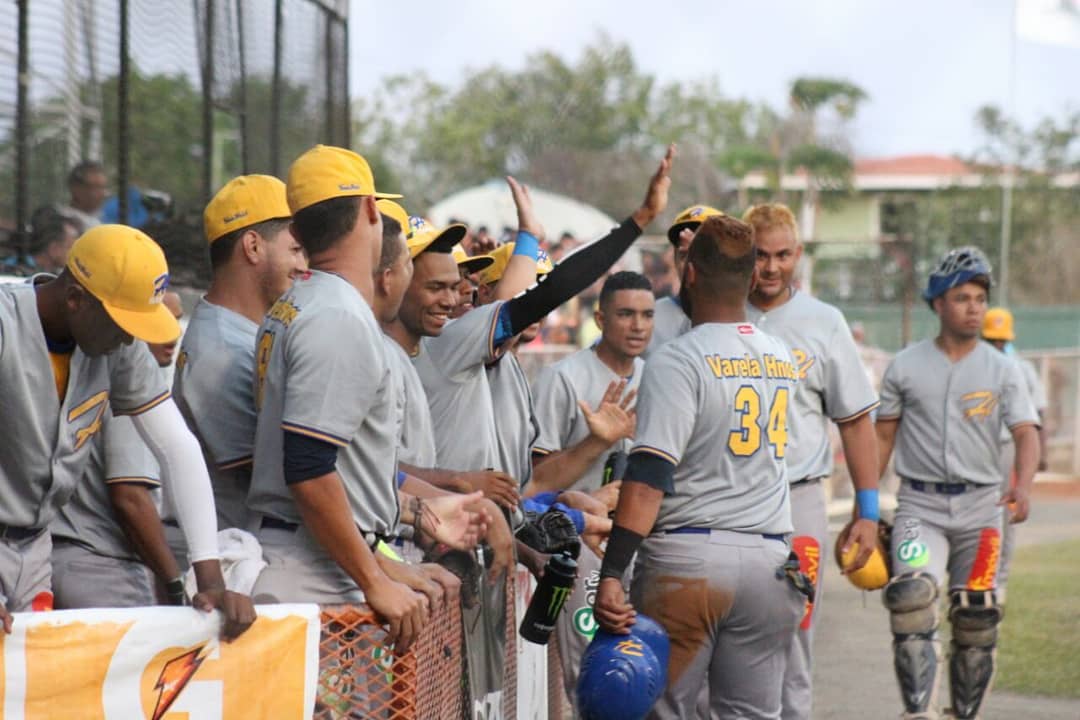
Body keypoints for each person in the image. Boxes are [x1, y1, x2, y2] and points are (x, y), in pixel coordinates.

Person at [247, 145, 482, 654]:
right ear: (371, 211)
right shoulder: (337, 314)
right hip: (312, 568)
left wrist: (380, 566)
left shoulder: (300, 300)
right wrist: (375, 580)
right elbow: (309, 470)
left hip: (316, 553)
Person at [595, 214, 805, 718]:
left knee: (665, 709)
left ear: (689, 274)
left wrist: (612, 571)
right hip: (770, 561)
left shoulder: (678, 358)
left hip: (688, 560)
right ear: (753, 277)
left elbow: (649, 476)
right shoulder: (780, 356)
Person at [0, 223, 254, 637]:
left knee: (28, 696)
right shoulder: (6, 324)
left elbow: (177, 448)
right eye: (120, 321)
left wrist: (208, 578)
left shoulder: (115, 345)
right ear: (76, 298)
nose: (128, 336)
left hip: (34, 548)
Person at [875, 247, 1039, 720]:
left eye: (980, 298)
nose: (974, 307)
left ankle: (964, 713)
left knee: (977, 612)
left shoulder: (1003, 369)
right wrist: (867, 507)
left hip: (983, 510)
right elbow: (882, 435)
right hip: (918, 508)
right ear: (938, 303)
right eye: (963, 297)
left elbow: (1026, 433)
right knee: (910, 597)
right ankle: (918, 712)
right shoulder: (905, 365)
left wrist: (1023, 485)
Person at [743, 202, 881, 720]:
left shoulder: (824, 323)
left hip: (799, 500)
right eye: (760, 256)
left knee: (795, 645)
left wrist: (867, 512)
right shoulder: (716, 313)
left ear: (798, 255)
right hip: (727, 504)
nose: (772, 267)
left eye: (782, 255)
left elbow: (856, 420)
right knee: (728, 645)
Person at [173, 175, 307, 540]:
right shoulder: (220, 351)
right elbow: (287, 478)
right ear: (252, 246)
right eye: (296, 250)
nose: (305, 265)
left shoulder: (245, 335)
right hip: (225, 561)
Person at [50, 297, 187, 609]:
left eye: (176, 321)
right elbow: (130, 497)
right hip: (102, 567)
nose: (172, 335)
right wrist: (173, 582)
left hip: (59, 557)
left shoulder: (92, 378)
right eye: (159, 323)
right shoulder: (132, 395)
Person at [530, 270, 653, 495]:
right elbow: (534, 479)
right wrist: (595, 441)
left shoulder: (655, 377)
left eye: (647, 315)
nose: (638, 326)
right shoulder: (562, 377)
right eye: (626, 314)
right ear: (600, 320)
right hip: (571, 523)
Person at [981, 306, 1049, 603]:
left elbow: (1038, 413)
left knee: (1004, 512)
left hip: (1007, 446)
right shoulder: (971, 366)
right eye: (991, 340)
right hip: (977, 447)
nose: (997, 345)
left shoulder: (1020, 369)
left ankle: (999, 581)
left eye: (1001, 340)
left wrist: (1038, 452)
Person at [642, 204, 724, 358]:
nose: (692, 265)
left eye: (704, 253)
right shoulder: (647, 317)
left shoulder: (748, 319)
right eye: (685, 255)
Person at [57, 161, 108, 233]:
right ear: (76, 189)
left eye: (103, 187)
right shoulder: (62, 223)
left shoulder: (100, 219)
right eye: (96, 187)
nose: (103, 193)